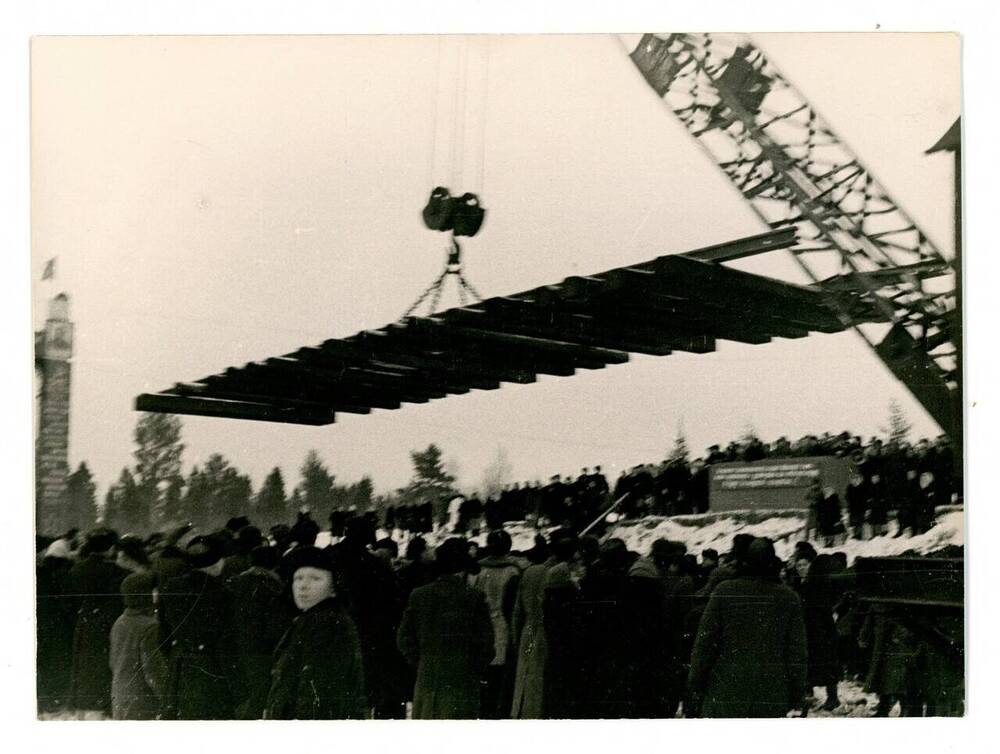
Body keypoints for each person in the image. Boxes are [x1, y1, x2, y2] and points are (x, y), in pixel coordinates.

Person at [687, 537, 807, 718]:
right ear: (774, 564)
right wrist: (797, 694)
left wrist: (695, 685)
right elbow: (797, 652)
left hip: (725, 691)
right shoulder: (788, 598)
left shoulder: (724, 591)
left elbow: (704, 644)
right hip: (771, 694)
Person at [264, 546, 367, 719]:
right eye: (298, 578)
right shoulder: (312, 620)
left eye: (315, 578)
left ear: (334, 588)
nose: (303, 586)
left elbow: (318, 694)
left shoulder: (326, 624)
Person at [397, 538, 494, 719]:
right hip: (462, 683)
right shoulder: (473, 597)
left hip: (427, 679)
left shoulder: (419, 595)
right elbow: (486, 645)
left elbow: (404, 638)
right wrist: (474, 669)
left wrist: (421, 662)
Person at [158, 534, 238, 719]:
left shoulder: (171, 587)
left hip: (179, 669)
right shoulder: (224, 594)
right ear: (218, 563)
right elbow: (230, 644)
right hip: (213, 673)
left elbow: (163, 638)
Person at [64, 528, 130, 714]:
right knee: (104, 668)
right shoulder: (118, 572)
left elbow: (69, 602)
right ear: (110, 548)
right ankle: (102, 707)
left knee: (85, 667)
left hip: (84, 624)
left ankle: (83, 706)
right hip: (109, 626)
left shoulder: (76, 569)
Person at [225, 544, 293, 719]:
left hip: (236, 650)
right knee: (260, 698)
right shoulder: (273, 587)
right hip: (263, 653)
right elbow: (276, 627)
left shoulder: (234, 582)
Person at [470, 530, 522, 718]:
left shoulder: (477, 570)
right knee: (499, 672)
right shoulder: (513, 571)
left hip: (480, 625)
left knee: (482, 671)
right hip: (502, 626)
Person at [109, 572, 168, 719]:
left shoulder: (119, 622)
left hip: (120, 694)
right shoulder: (149, 626)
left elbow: (112, 661)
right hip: (142, 699)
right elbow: (153, 669)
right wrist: (166, 696)